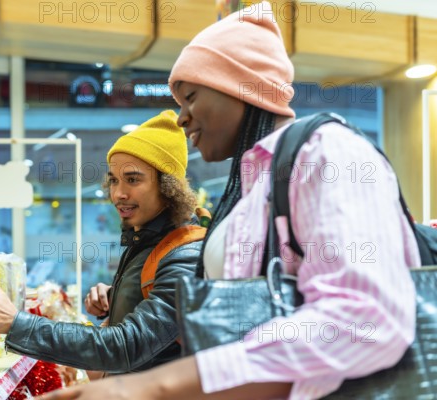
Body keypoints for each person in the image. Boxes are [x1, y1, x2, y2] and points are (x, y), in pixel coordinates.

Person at [39, 2, 420, 399]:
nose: (182, 118)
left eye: (190, 97)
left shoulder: (326, 154)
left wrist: (155, 387)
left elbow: (363, 321)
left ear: (241, 87)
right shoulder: (253, 188)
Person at [0, 109, 203, 374]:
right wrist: (117, 298)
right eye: (113, 180)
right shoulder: (148, 241)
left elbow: (126, 347)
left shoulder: (185, 254)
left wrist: (16, 324)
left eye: (133, 180)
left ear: (167, 186)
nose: (118, 193)